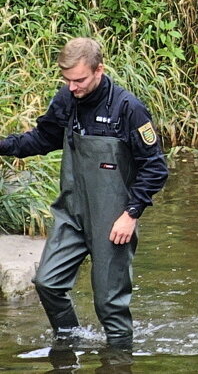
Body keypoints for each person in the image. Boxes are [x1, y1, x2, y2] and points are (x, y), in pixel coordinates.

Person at [0, 38, 169, 353]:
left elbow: (156, 168)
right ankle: (69, 344)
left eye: (79, 80)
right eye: (67, 80)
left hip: (113, 221)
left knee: (109, 305)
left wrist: (131, 214)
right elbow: (42, 138)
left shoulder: (127, 108)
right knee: (48, 283)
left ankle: (119, 361)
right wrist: (3, 145)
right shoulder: (67, 99)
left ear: (99, 70)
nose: (72, 87)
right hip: (72, 214)